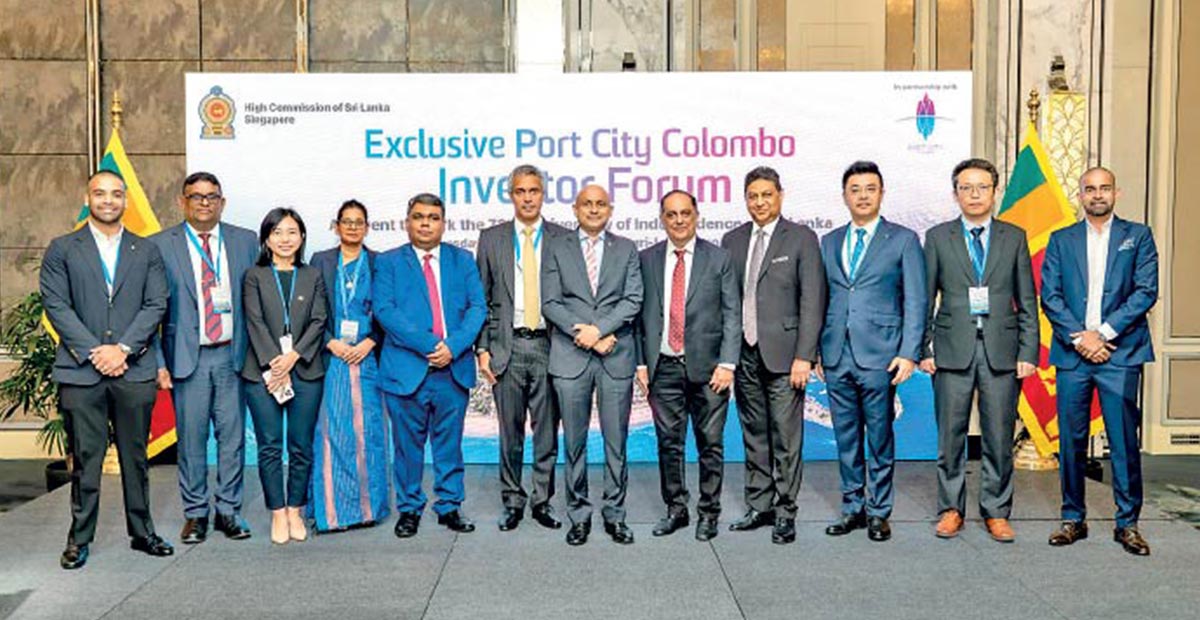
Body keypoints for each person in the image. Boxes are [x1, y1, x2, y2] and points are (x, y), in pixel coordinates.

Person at [40, 169, 173, 569]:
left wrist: (124, 350)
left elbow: (156, 303)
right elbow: (56, 305)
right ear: (88, 198)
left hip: (134, 370)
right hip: (82, 372)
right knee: (86, 460)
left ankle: (143, 532)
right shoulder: (62, 249)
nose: (108, 200)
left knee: (136, 458)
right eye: (100, 193)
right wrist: (94, 352)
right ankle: (79, 539)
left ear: (126, 200)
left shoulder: (146, 250)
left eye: (116, 194)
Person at [920, 158, 1039, 542]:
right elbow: (924, 298)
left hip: (1002, 352)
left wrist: (1028, 352)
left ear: (995, 191)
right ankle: (951, 509)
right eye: (966, 188)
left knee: (999, 438)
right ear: (955, 193)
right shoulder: (938, 237)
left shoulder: (1014, 237)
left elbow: (1027, 299)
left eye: (982, 187)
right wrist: (924, 348)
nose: (974, 194)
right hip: (950, 350)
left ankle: (996, 511)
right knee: (950, 438)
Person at [1042, 167, 1158, 556]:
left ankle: (1128, 524)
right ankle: (1072, 518)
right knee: (1071, 440)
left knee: (1122, 441)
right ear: (1080, 195)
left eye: (1104, 188)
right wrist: (1081, 338)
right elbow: (1051, 295)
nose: (1097, 194)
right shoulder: (1061, 239)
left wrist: (1103, 334)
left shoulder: (1137, 236)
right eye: (1090, 189)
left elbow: (1145, 292)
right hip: (1073, 354)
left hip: (1120, 354)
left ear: (1116, 193)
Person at [816, 161, 927, 542]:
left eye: (870, 189)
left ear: (881, 193)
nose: (862, 196)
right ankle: (852, 508)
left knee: (879, 436)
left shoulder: (903, 239)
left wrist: (909, 352)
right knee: (846, 437)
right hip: (836, 354)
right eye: (855, 189)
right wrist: (818, 351)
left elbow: (916, 299)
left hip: (882, 355)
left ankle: (879, 511)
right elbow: (821, 299)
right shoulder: (830, 241)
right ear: (844, 196)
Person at [150, 171, 257, 544]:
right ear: (182, 202)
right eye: (196, 196)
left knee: (232, 440)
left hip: (233, 355)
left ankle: (229, 510)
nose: (204, 202)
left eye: (211, 196)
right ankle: (196, 513)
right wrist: (158, 363)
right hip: (186, 358)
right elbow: (151, 309)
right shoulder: (159, 245)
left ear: (222, 202)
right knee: (192, 441)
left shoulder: (246, 241)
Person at [721, 166, 825, 545]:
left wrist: (805, 356)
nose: (760, 202)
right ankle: (759, 505)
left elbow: (812, 300)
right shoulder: (732, 240)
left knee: (785, 438)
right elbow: (728, 300)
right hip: (745, 354)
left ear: (780, 195)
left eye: (767, 194)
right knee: (754, 435)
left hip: (786, 357)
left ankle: (785, 511)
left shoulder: (800, 238)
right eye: (753, 196)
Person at [375, 193, 486, 539]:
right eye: (419, 217)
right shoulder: (388, 262)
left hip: (452, 369)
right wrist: (430, 345)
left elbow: (477, 308)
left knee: (449, 444)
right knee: (407, 448)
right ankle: (409, 508)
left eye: (433, 217)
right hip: (407, 369)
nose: (426, 223)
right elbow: (385, 311)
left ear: (443, 223)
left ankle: (449, 505)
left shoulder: (462, 259)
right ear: (407, 222)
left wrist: (452, 347)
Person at [634, 190, 741, 542]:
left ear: (696, 216)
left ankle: (709, 512)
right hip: (663, 368)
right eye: (671, 214)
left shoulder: (719, 258)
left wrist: (727, 363)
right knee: (669, 443)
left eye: (685, 213)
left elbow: (732, 314)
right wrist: (641, 363)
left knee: (710, 444)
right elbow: (639, 317)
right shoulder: (646, 259)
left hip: (711, 371)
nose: (679, 220)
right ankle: (676, 509)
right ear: (662, 219)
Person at [542, 184, 644, 546]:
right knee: (574, 443)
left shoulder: (627, 248)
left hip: (615, 355)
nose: (594, 209)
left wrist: (600, 330)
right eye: (587, 204)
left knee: (616, 443)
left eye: (601, 204)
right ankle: (579, 515)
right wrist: (584, 334)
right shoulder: (556, 247)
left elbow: (633, 299)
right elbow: (550, 302)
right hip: (571, 357)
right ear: (575, 209)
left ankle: (615, 515)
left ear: (610, 209)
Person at [475, 165, 569, 531]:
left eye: (534, 191)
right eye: (520, 191)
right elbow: (481, 298)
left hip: (550, 345)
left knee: (546, 432)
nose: (527, 198)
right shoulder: (491, 238)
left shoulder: (563, 238)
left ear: (543, 194)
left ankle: (542, 501)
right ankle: (512, 500)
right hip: (507, 346)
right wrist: (482, 348)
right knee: (509, 432)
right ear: (511, 195)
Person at [242, 208, 328, 545]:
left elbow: (319, 320)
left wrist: (293, 356)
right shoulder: (254, 276)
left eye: (292, 232)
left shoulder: (313, 275)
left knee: (301, 445)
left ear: (302, 237)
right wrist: (275, 364)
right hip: (262, 372)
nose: (285, 239)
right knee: (270, 445)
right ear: (266, 239)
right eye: (277, 232)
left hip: (305, 369)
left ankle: (295, 509)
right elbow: (254, 321)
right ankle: (277, 511)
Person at [307, 200, 390, 532]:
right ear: (336, 226)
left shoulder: (379, 263)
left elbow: (389, 309)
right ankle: (333, 512)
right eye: (347, 221)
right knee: (332, 432)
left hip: (367, 359)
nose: (353, 227)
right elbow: (310, 310)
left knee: (369, 433)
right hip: (333, 358)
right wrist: (330, 342)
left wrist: (371, 341)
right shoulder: (321, 261)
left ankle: (368, 510)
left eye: (359, 222)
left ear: (367, 227)